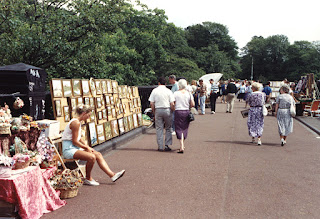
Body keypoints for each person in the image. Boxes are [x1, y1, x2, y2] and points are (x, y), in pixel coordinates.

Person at [62, 104, 125, 186]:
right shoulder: (75, 123)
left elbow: (79, 138)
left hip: (75, 148)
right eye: (88, 115)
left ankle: (112, 175)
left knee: (98, 154)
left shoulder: (78, 122)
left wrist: (88, 147)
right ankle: (88, 178)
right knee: (91, 157)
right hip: (69, 149)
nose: (89, 117)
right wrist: (86, 148)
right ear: (84, 113)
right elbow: (75, 141)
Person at [149, 77, 175, 151]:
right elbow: (172, 103)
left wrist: (154, 112)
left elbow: (151, 103)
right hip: (167, 109)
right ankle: (167, 145)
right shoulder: (169, 91)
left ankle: (160, 146)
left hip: (158, 109)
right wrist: (173, 111)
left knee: (159, 128)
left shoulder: (154, 91)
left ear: (159, 83)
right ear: (165, 83)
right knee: (168, 128)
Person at [173, 79, 195, 153]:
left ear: (179, 85)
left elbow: (173, 103)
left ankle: (181, 145)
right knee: (185, 128)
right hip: (186, 111)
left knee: (178, 127)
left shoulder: (175, 93)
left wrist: (173, 108)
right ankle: (183, 144)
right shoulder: (189, 93)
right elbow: (193, 104)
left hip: (178, 111)